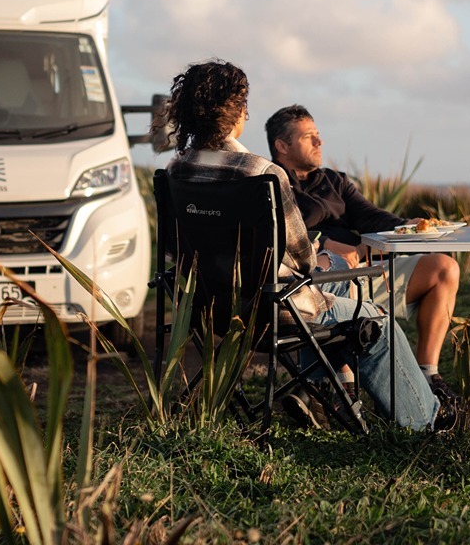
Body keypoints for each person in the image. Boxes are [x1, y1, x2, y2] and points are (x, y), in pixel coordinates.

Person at [162, 59, 445, 431]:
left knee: (338, 293)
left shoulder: (175, 172)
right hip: (271, 312)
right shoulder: (261, 173)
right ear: (235, 115)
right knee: (377, 321)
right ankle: (427, 420)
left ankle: (331, 390)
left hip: (207, 308)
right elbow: (304, 260)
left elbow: (174, 249)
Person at [265, 104, 461, 401]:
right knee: (331, 269)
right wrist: (324, 241)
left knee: (444, 269)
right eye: (308, 137)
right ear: (282, 145)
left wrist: (408, 225)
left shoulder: (335, 181)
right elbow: (277, 233)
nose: (320, 142)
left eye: (318, 135)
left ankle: (427, 374)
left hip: (364, 274)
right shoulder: (271, 184)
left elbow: (372, 217)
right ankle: (336, 390)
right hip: (316, 283)